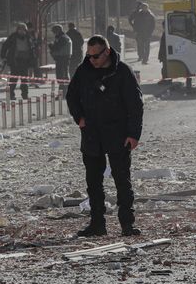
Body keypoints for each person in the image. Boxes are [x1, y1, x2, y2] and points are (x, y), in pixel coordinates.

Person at [66, 35, 143, 237]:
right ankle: (97, 224)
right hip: (92, 135)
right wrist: (79, 117)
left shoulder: (122, 72)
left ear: (107, 52)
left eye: (96, 56)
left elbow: (135, 105)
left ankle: (127, 224)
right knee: (93, 183)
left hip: (118, 134)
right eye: (89, 56)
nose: (92, 60)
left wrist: (133, 134)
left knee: (122, 181)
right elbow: (71, 96)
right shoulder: (83, 71)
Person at [0, 23, 36, 100]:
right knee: (13, 79)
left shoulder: (28, 37)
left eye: (23, 29)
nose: (22, 31)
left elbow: (32, 48)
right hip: (15, 61)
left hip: (25, 61)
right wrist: (3, 56)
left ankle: (25, 94)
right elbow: (5, 46)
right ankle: (11, 94)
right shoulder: (13, 37)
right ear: (17, 30)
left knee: (24, 79)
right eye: (20, 29)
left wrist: (33, 59)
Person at [48, 24, 72, 96]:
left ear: (57, 31)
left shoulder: (63, 38)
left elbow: (57, 47)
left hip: (62, 59)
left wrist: (51, 46)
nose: (53, 33)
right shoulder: (62, 37)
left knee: (61, 76)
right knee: (62, 76)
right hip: (63, 58)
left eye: (54, 31)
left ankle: (63, 93)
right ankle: (63, 93)